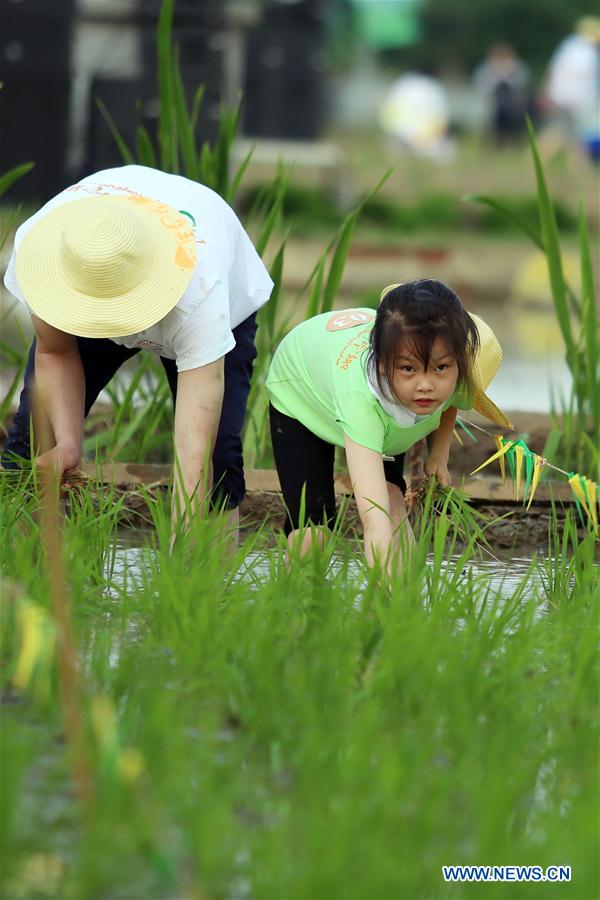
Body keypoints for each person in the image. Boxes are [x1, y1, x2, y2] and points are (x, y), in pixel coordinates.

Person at [2, 165, 274, 537]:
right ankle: (19, 582)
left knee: (217, 459)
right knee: (33, 441)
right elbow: (56, 353)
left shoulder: (200, 292)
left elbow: (192, 448)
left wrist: (180, 555)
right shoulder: (41, 250)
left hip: (199, 297)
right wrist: (67, 444)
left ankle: (213, 588)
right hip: (88, 269)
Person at [266, 280, 511, 573]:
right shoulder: (363, 402)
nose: (426, 385)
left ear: (457, 363)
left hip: (371, 403)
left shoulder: (451, 371)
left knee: (395, 502)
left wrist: (438, 456)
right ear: (382, 364)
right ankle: (294, 603)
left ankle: (405, 601)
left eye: (441, 368)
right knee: (315, 529)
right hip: (301, 391)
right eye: (409, 369)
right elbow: (374, 520)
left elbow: (452, 403)